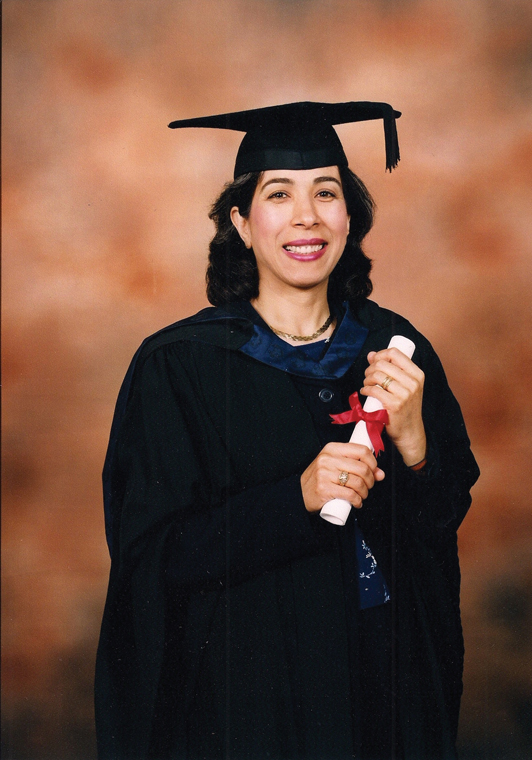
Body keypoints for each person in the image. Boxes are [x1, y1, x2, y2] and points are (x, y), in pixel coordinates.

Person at [95, 101, 480, 760]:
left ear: (349, 215)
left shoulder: (395, 349)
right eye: (280, 194)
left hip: (376, 687)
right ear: (241, 222)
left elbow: (441, 526)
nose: (307, 216)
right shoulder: (179, 368)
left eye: (326, 192)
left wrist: (417, 448)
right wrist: (293, 498)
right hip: (247, 699)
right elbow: (152, 562)